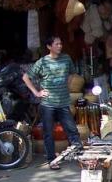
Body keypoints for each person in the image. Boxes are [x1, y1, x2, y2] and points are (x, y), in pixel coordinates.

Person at [23, 36, 81, 169]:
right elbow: (26, 77)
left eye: (61, 43)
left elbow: (72, 73)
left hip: (64, 102)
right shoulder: (42, 62)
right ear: (49, 47)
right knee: (48, 133)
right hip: (48, 104)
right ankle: (51, 160)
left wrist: (67, 84)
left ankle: (79, 156)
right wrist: (36, 93)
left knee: (72, 130)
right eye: (56, 44)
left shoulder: (66, 59)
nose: (60, 46)